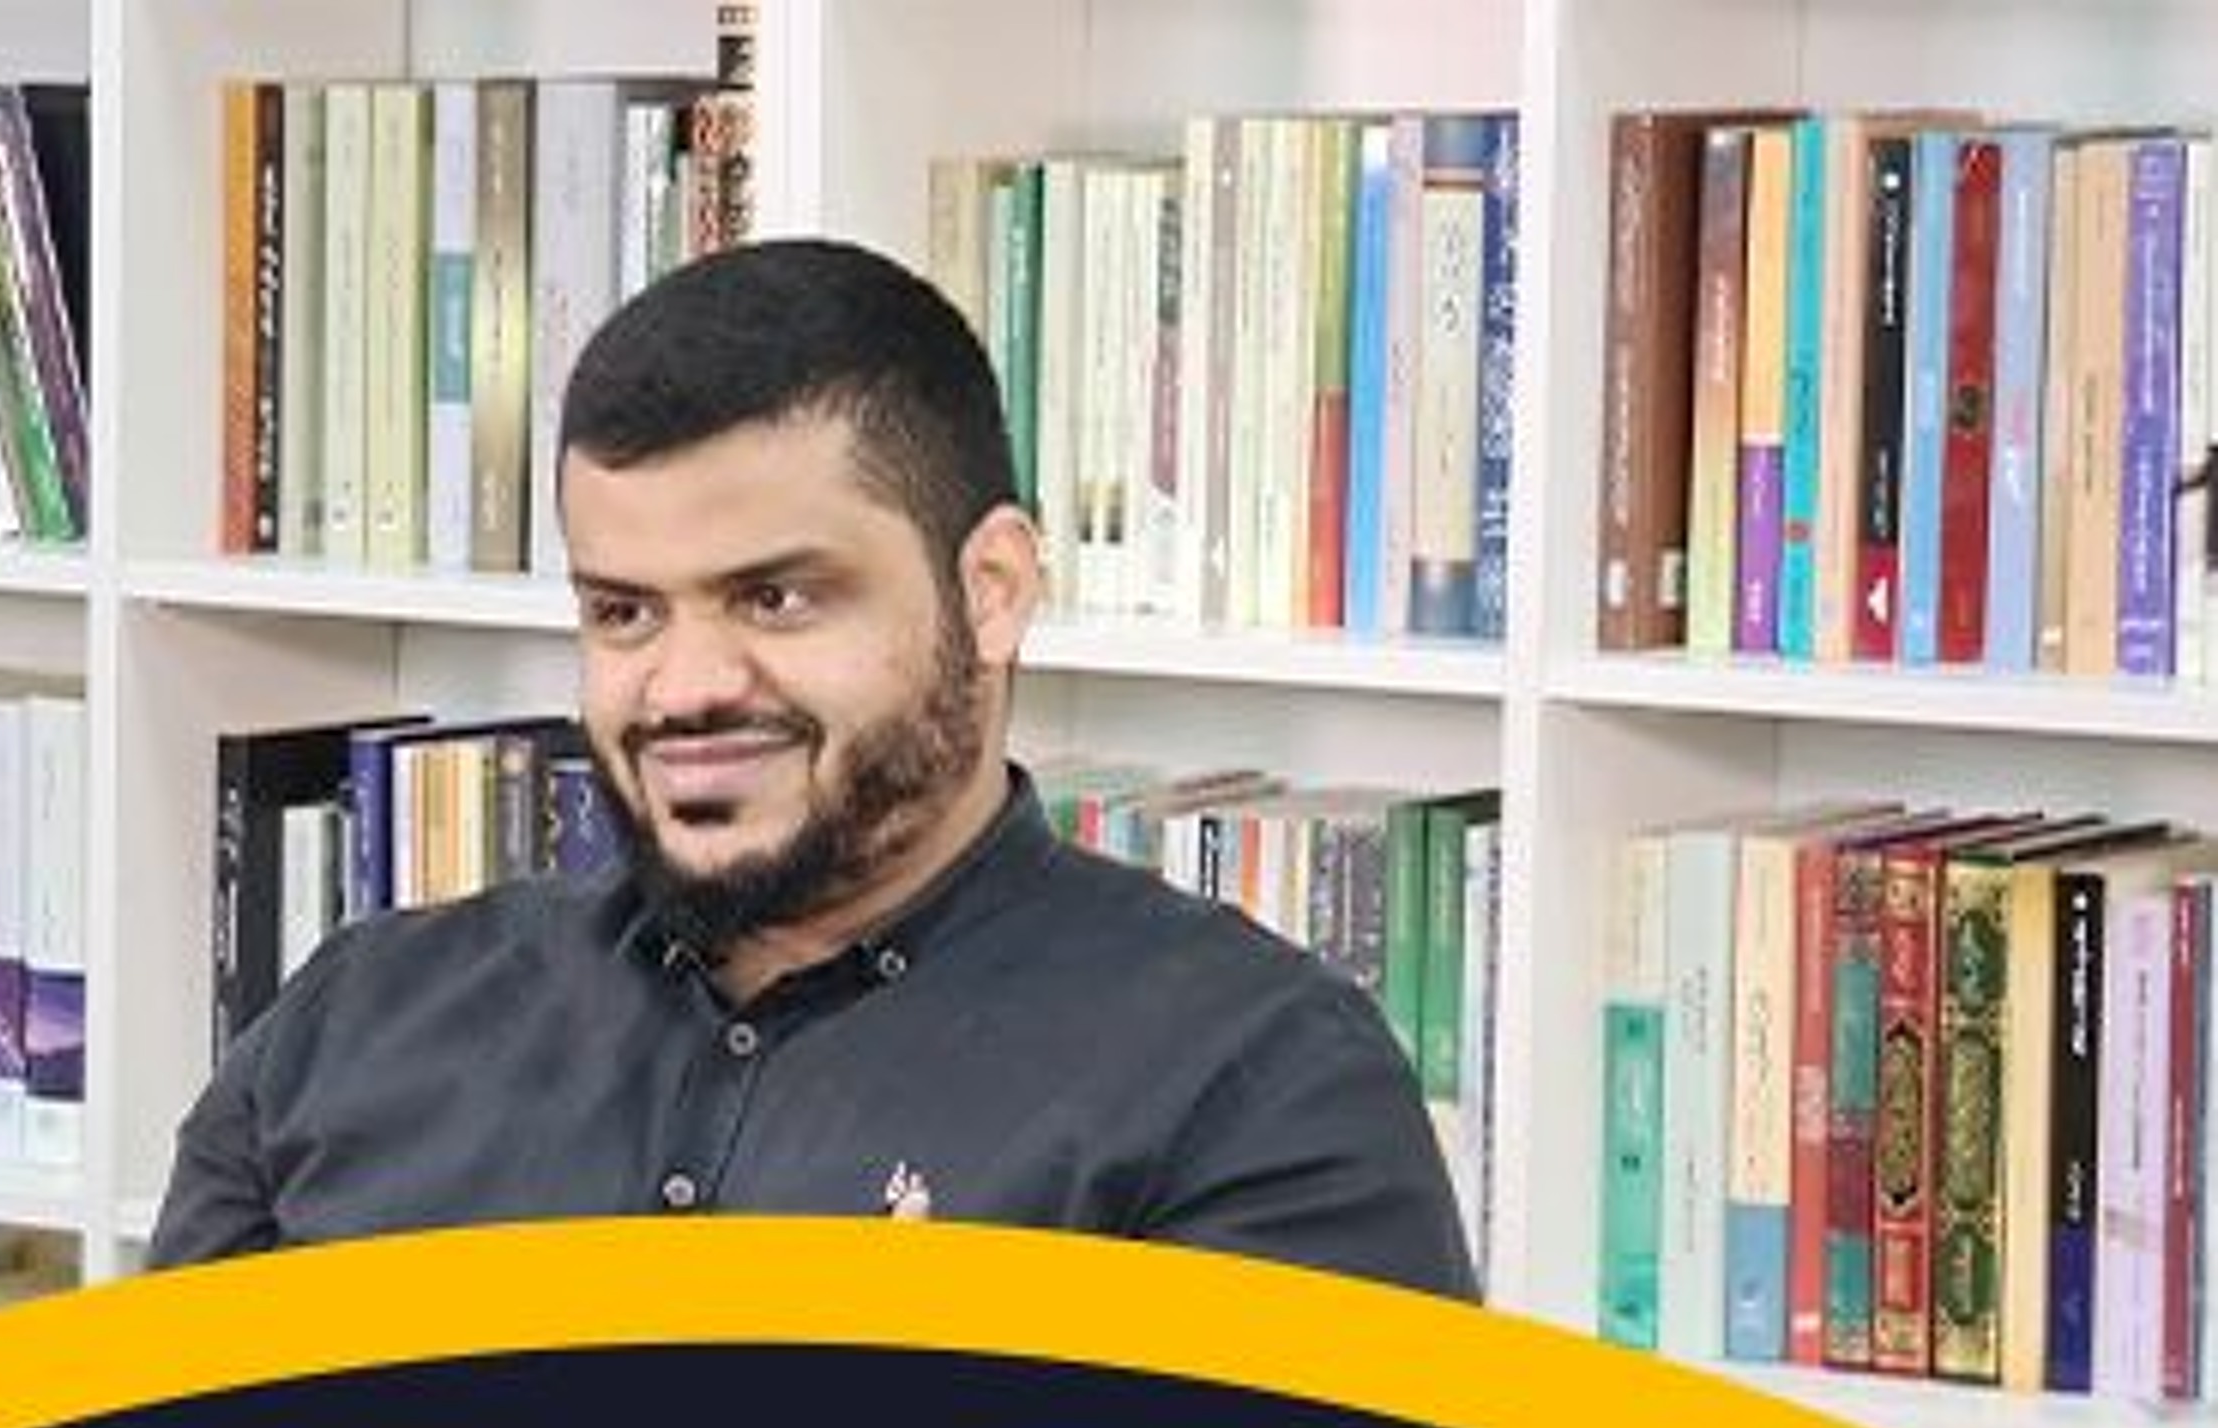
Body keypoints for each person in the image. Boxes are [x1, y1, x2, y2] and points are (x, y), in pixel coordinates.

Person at [150, 238, 1478, 1297]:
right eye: (624, 611)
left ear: (993, 590)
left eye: (776, 599)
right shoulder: (355, 1026)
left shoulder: (1251, 1084)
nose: (685, 686)